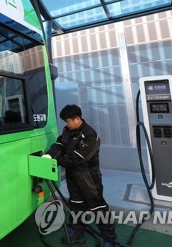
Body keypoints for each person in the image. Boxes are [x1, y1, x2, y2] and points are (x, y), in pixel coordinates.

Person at [43, 104, 117, 247]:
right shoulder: (68, 131)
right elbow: (59, 145)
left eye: (68, 121)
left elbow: (77, 157)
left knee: (97, 206)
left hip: (88, 176)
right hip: (72, 174)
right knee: (76, 204)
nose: (66, 124)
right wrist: (49, 155)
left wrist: (56, 161)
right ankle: (77, 232)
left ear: (77, 119)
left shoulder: (90, 135)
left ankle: (109, 238)